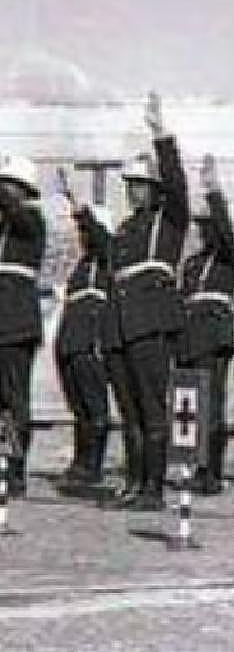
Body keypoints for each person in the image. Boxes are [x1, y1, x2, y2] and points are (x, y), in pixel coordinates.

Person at [109, 93, 189, 510]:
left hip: (151, 320)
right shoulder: (125, 229)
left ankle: (154, 489)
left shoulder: (169, 219)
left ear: (156, 189)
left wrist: (163, 137)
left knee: (152, 406)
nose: (135, 192)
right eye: (131, 185)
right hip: (121, 324)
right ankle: (134, 482)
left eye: (141, 185)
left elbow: (178, 184)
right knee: (129, 409)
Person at [177, 155, 234, 495]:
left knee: (212, 407)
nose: (206, 232)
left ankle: (211, 471)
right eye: (202, 227)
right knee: (189, 406)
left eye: (210, 226)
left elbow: (228, 234)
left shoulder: (229, 257)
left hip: (213, 336)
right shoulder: (191, 264)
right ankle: (190, 466)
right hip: (189, 337)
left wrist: (213, 191)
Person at [54, 176, 114, 487]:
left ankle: (92, 466)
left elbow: (101, 239)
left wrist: (77, 205)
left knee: (94, 407)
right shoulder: (82, 265)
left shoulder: (108, 259)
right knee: (78, 406)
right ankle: (81, 463)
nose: (83, 237)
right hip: (71, 341)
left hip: (91, 341)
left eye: (87, 231)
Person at [0, 154, 47, 496]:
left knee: (15, 397)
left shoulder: (32, 218)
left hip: (16, 322)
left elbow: (17, 214)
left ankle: (16, 469)